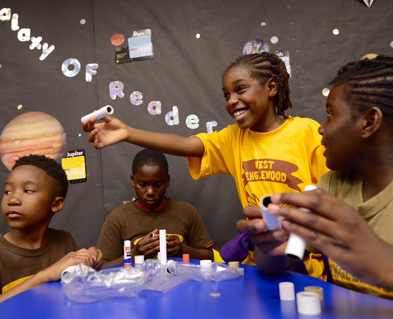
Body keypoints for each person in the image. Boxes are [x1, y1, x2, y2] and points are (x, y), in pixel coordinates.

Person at [83, 52, 329, 264]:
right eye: (226, 95)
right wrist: (128, 133)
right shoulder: (235, 138)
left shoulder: (306, 132)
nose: (232, 100)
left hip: (306, 263)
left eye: (240, 89)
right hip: (260, 263)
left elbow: (328, 198)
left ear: (271, 88)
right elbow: (188, 145)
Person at [237, 54, 393, 299]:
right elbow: (276, 266)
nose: (321, 127)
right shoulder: (333, 184)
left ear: (369, 122)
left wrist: (380, 258)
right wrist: (269, 246)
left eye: (330, 114)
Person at [0, 155, 103, 318]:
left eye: (28, 191)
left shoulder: (65, 241)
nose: (13, 199)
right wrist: (45, 276)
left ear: (56, 204)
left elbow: (78, 296)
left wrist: (89, 265)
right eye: (7, 191)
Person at [96, 148, 214, 267]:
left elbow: (209, 257)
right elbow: (102, 268)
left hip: (182, 283)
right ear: (132, 180)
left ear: (167, 180)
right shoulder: (117, 219)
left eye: (158, 185)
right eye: (142, 185)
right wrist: (134, 254)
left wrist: (183, 250)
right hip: (137, 285)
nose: (151, 192)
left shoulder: (187, 212)